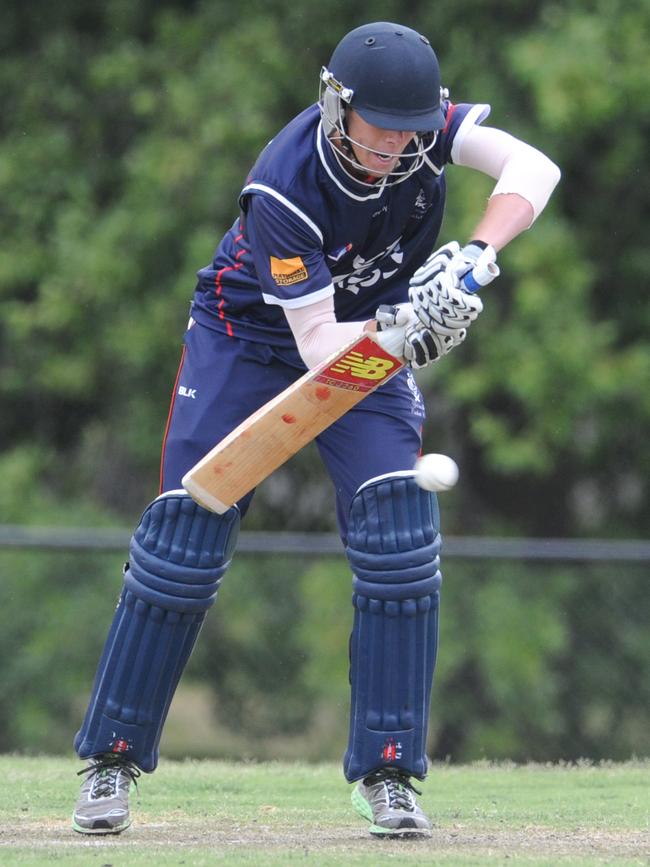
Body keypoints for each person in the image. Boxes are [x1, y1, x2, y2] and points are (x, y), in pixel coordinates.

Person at [71, 21, 560, 838]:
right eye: (381, 131)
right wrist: (411, 329)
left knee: (401, 541)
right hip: (253, 339)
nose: (398, 148)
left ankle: (392, 773)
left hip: (369, 341)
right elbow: (319, 353)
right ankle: (111, 759)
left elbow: (532, 167)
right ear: (338, 107)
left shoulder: (423, 130)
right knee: (183, 540)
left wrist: (472, 258)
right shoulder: (284, 185)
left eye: (413, 131)